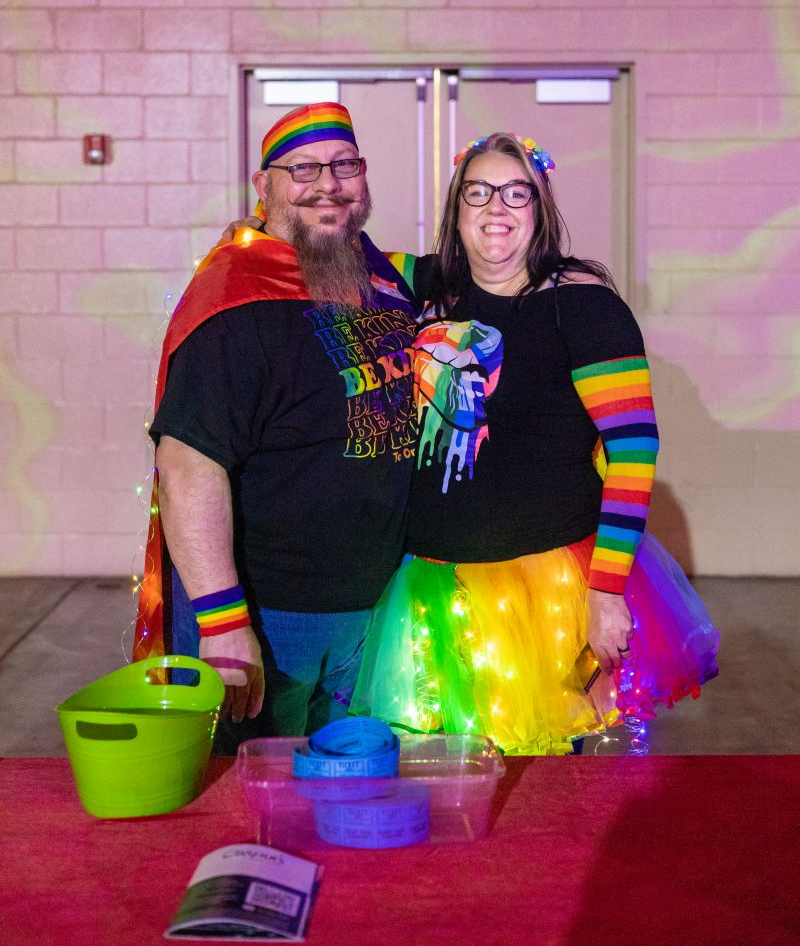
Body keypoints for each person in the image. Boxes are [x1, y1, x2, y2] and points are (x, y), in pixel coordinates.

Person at [350, 131, 719, 755]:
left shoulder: (581, 304)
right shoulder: (422, 285)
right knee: (451, 784)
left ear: (540, 211)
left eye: (516, 194)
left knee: (557, 789)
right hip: (436, 587)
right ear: (456, 210)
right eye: (479, 192)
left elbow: (633, 449)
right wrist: (252, 236)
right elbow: (326, 247)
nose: (497, 207)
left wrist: (605, 594)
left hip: (551, 590)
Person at [133, 102, 418, 748]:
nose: (328, 184)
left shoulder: (383, 281)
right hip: (269, 620)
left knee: (355, 799)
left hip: (376, 615)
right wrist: (223, 620)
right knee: (254, 812)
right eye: (304, 168)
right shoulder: (233, 300)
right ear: (265, 188)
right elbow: (186, 466)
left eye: (344, 165)